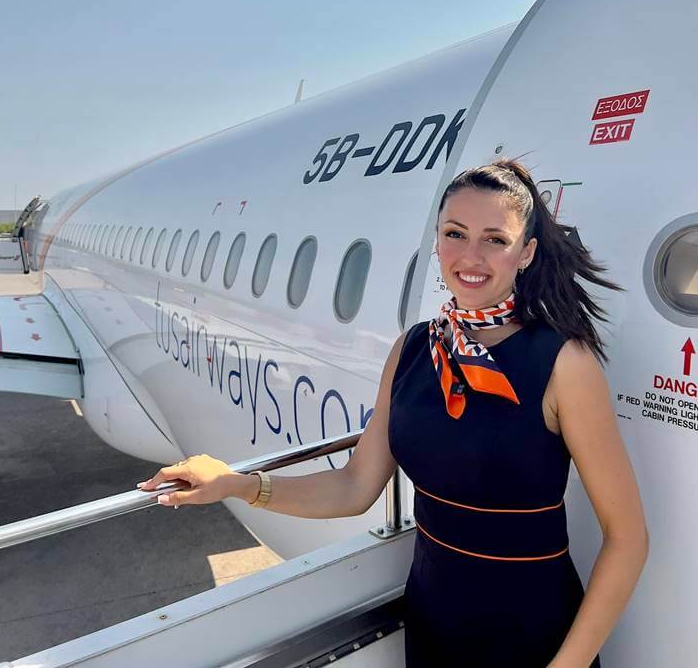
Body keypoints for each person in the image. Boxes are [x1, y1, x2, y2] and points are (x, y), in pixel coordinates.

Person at [137, 158, 649, 667]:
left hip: (534, 637)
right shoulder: (414, 349)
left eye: (495, 239)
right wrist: (237, 484)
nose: (470, 255)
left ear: (527, 253)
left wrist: (568, 665)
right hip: (432, 623)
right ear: (437, 241)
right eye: (455, 233)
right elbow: (355, 487)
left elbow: (627, 539)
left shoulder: (562, 362)